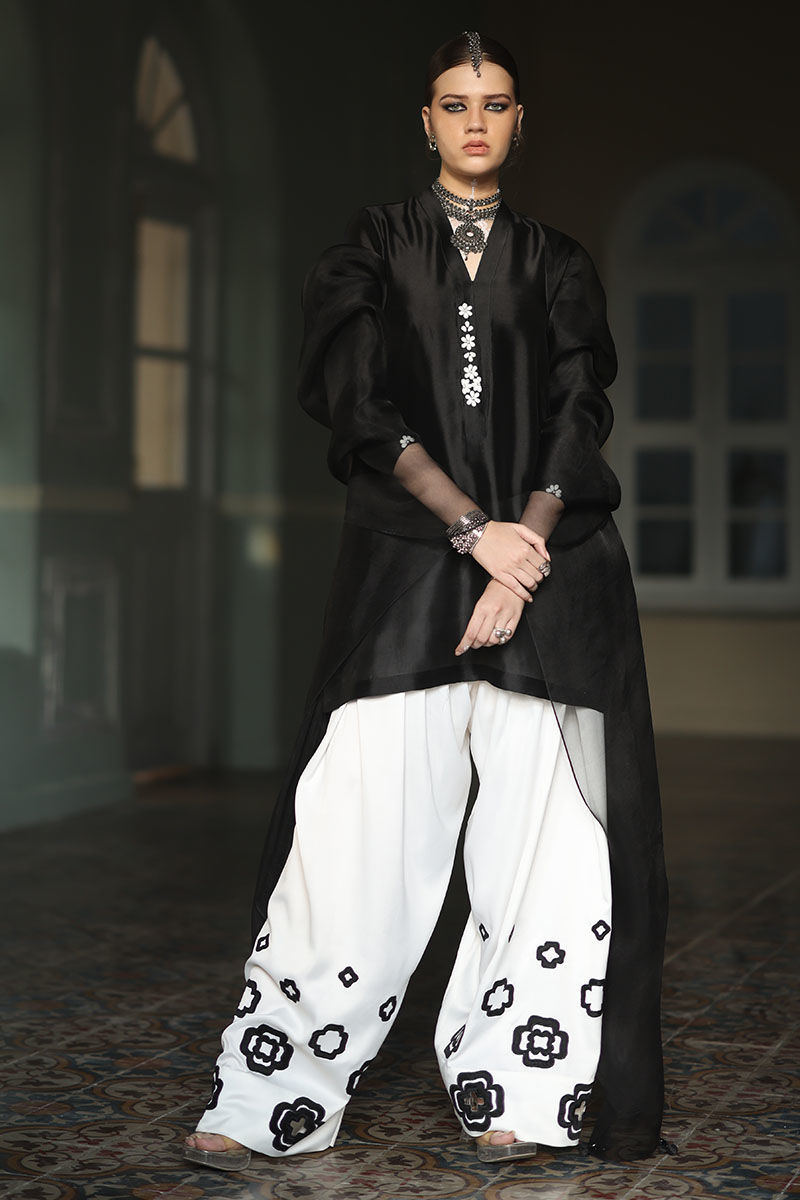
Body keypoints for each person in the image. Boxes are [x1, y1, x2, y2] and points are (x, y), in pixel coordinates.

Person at [184, 30, 671, 1172]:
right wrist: (471, 533)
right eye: (455, 103)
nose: (474, 122)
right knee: (352, 837)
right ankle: (271, 1097)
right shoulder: (366, 250)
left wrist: (519, 554)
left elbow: (578, 413)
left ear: (517, 121)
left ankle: (521, 1090)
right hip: (407, 568)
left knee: (547, 850)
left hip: (553, 579)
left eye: (494, 104)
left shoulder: (558, 263)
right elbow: (357, 405)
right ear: (426, 120)